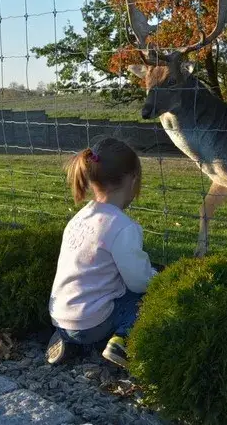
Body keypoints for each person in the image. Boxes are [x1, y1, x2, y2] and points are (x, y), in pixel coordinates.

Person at [46, 137, 156, 368]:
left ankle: (69, 341)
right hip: (91, 322)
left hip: (61, 315)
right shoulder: (121, 226)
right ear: (132, 179)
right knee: (143, 300)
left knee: (96, 291)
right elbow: (138, 281)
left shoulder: (79, 218)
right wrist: (157, 277)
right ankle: (122, 342)